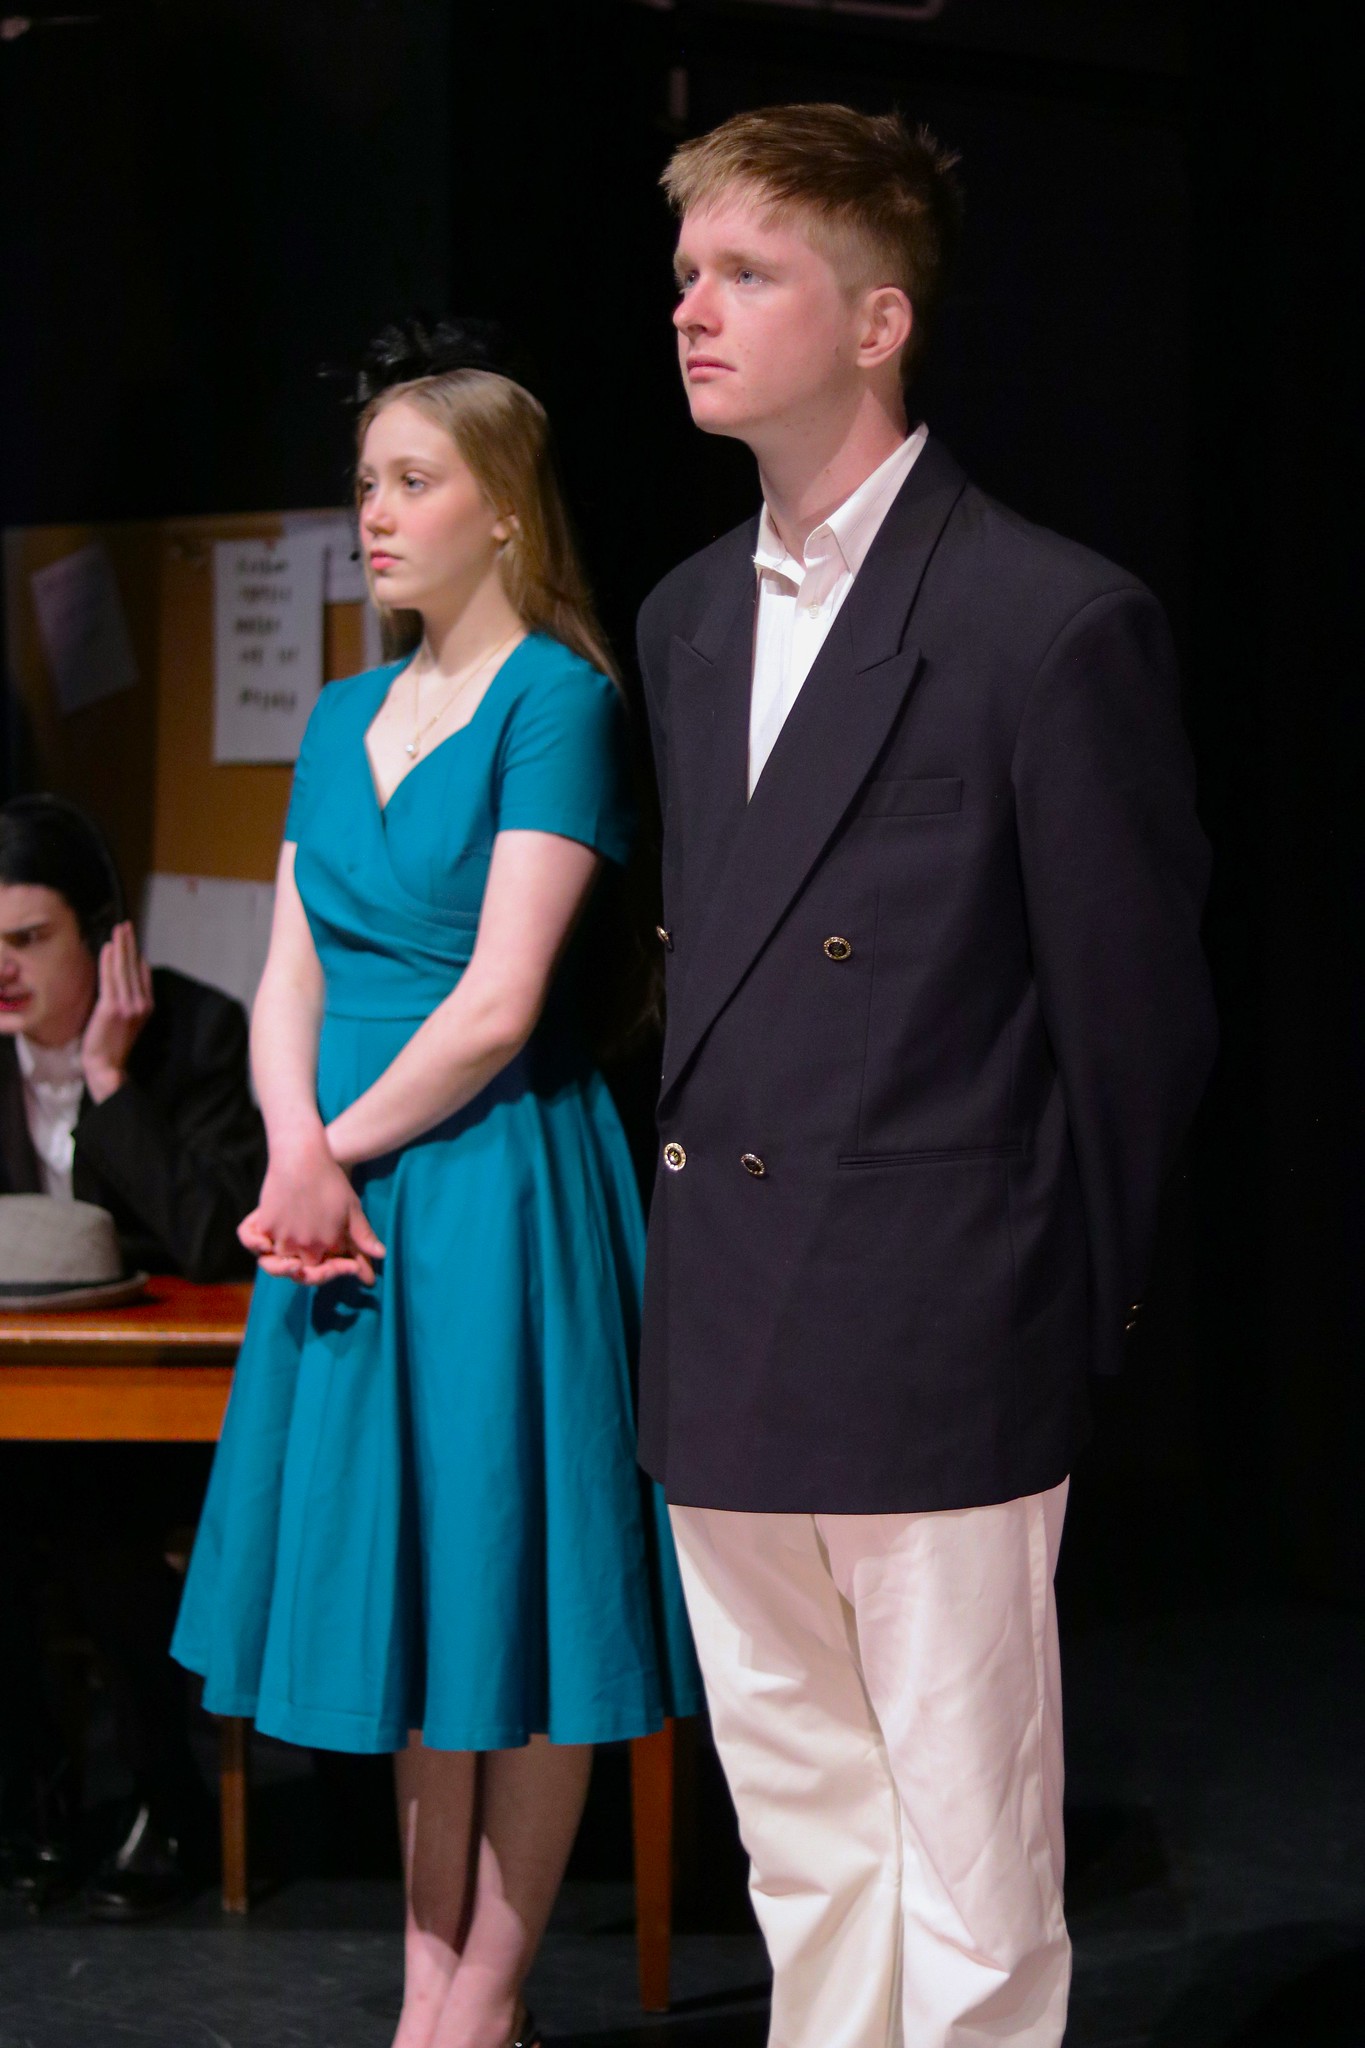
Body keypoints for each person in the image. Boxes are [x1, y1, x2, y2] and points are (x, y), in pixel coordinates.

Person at [635, 105, 1218, 2048]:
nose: (690, 305)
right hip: (726, 1318)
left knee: (972, 1860)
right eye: (686, 268)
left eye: (745, 271)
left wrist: (1053, 1301)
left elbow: (1131, 1027)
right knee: (803, 1837)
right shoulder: (686, 615)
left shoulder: (1044, 618)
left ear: (876, 318)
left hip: (941, 1316)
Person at [172, 321, 700, 2048]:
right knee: (419, 1594)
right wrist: (293, 1149)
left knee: (517, 1583)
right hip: (344, 1199)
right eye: (365, 485)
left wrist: (341, 1147)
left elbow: (499, 998)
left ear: (505, 512)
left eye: (412, 481)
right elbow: (291, 968)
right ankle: (429, 1987)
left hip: (491, 1186)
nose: (375, 515)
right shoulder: (342, 715)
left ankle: (481, 1997)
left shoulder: (562, 702)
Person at [0, 793, 266, 1915]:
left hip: (166, 1415)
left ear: (107, 941)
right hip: (23, 1408)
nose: (2, 967)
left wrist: (109, 1083)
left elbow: (215, 1237)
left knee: (91, 1522)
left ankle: (168, 1794)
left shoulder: (197, 1035)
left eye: (27, 938)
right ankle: (36, 1803)